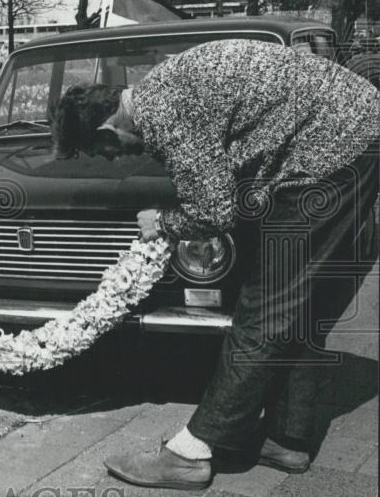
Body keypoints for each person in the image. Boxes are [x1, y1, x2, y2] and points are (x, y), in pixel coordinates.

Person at [51, 39, 380, 490]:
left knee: (266, 305)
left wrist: (163, 222)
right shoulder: (160, 90)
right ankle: (288, 439)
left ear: (108, 131)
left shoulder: (163, 114)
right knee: (302, 301)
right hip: (352, 132)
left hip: (332, 151)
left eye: (103, 152)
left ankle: (193, 452)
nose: (114, 159)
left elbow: (213, 212)